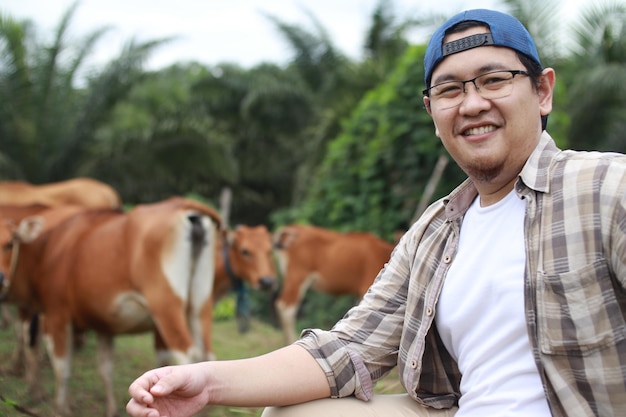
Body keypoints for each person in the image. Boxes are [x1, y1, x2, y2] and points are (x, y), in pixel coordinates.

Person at [126, 9, 626, 417]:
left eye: (494, 80)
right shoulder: (435, 232)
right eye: (450, 90)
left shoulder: (606, 188)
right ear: (432, 114)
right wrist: (208, 380)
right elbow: (349, 348)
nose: (472, 104)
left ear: (542, 92)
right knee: (289, 414)